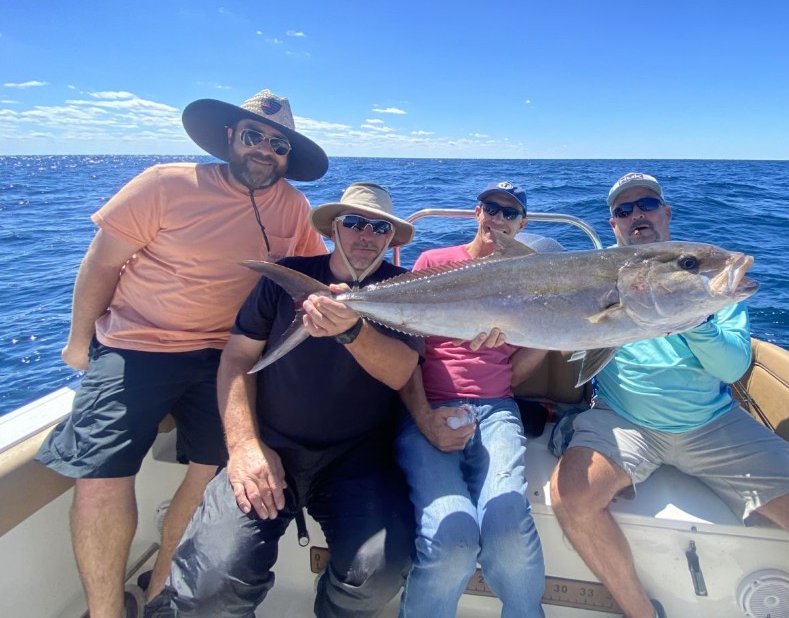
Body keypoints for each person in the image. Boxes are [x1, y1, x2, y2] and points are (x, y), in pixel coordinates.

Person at [36, 89, 329, 618]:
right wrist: (80, 343)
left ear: (288, 155)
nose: (265, 149)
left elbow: (311, 283)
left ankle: (158, 599)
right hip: (137, 346)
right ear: (229, 139)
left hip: (227, 359)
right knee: (102, 473)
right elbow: (101, 265)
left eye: (278, 143)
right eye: (253, 136)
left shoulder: (294, 206)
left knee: (212, 471)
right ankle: (105, 612)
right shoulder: (164, 184)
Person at [157, 182, 422, 618]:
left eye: (379, 227)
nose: (366, 234)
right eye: (354, 222)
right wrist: (243, 446)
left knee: (380, 572)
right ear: (334, 228)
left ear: (391, 238)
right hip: (270, 445)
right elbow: (237, 359)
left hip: (358, 457)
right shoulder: (286, 277)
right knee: (211, 583)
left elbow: (399, 372)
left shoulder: (405, 288)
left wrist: (349, 330)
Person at [549, 172, 789, 618]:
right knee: (569, 497)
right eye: (624, 211)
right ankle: (641, 612)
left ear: (666, 212)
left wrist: (695, 315)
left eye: (646, 205)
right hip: (623, 419)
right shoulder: (595, 274)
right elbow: (558, 329)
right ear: (613, 224)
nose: (636, 215)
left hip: (713, 424)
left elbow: (733, 367)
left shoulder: (715, 289)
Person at [396, 182, 548, 618]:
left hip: (498, 409)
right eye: (490, 209)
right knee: (451, 541)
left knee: (508, 533)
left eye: (509, 213)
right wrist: (425, 417)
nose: (497, 219)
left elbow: (514, 372)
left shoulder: (529, 277)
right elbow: (406, 354)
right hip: (429, 407)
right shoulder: (433, 262)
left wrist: (552, 332)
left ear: (522, 224)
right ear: (475, 213)